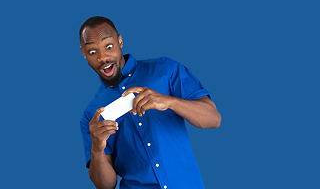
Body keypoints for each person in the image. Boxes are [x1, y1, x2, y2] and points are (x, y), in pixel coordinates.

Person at [79, 16, 221, 189]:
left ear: (120, 41)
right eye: (93, 52)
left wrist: (170, 102)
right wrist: (97, 149)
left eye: (109, 46)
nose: (102, 57)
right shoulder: (92, 114)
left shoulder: (165, 70)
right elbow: (105, 186)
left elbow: (214, 119)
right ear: (84, 54)